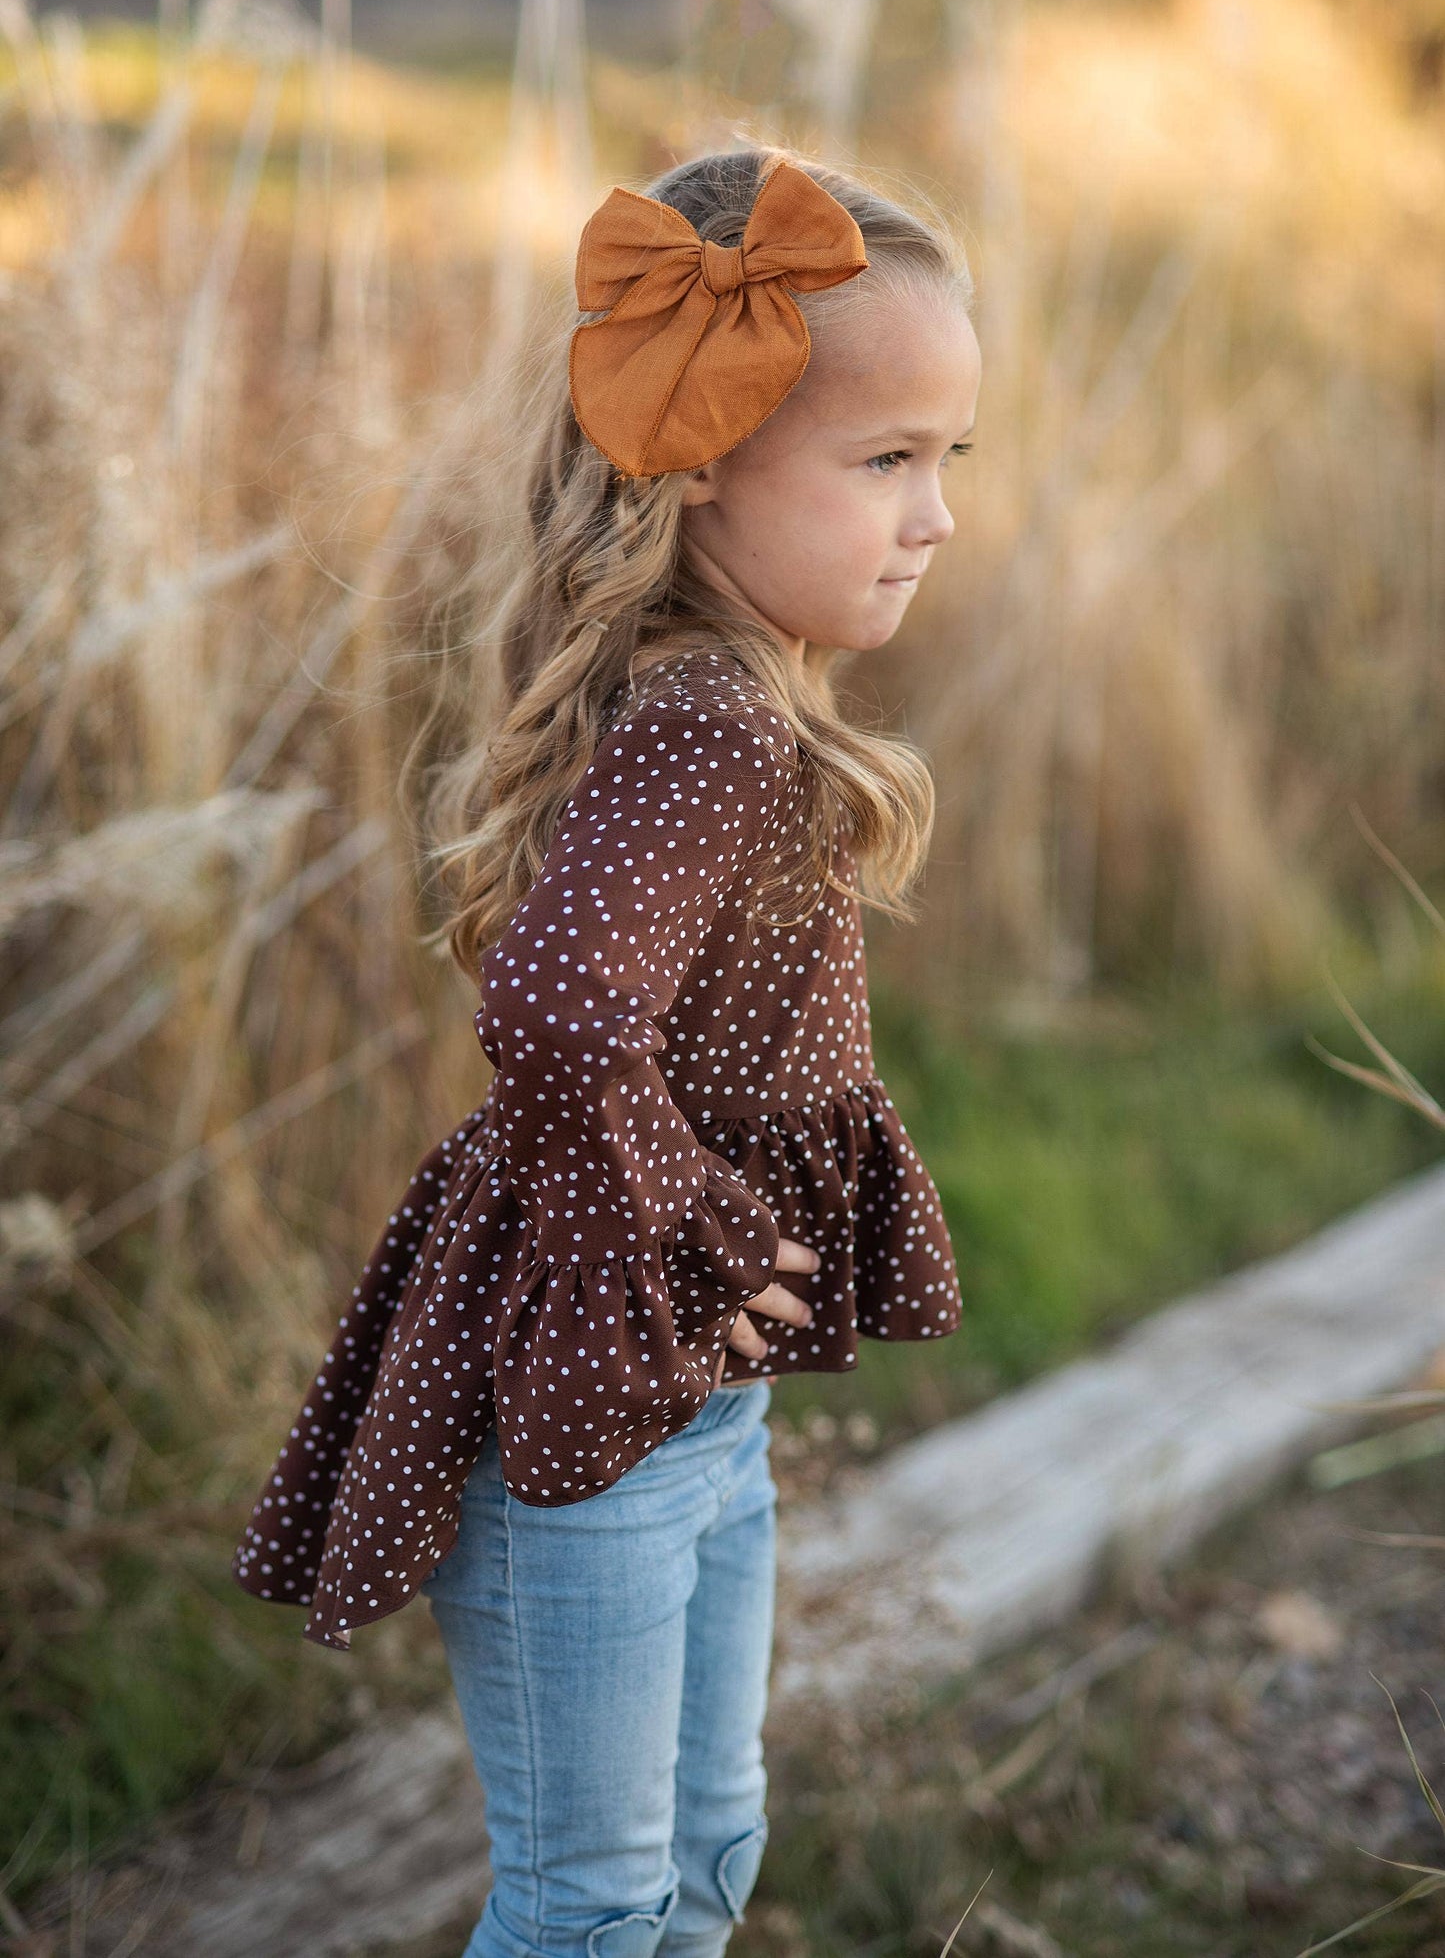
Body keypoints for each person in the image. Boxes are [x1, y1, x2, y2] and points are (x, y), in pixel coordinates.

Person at [231, 142, 982, 1958]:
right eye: (883, 461)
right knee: (592, 1894)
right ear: (701, 451)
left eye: (949, 460)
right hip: (593, 1412)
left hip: (690, 1414)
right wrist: (703, 1238)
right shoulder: (712, 723)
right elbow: (559, 1012)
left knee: (708, 1838)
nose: (933, 516)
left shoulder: (728, 697)